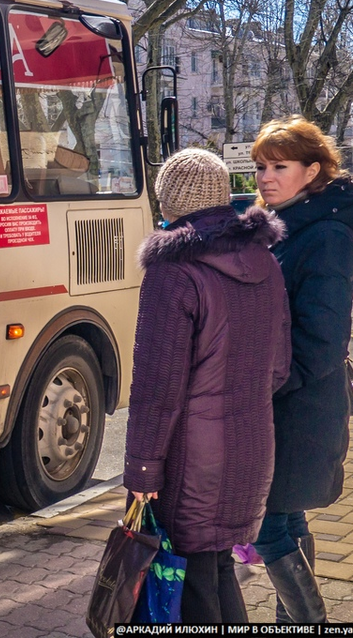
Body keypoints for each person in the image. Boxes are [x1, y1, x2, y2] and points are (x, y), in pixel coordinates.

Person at [124, 148, 290, 624]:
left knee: (191, 580)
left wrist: (141, 469)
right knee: (213, 567)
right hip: (251, 449)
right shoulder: (265, 261)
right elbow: (278, 368)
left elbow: (157, 389)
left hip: (189, 461)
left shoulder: (172, 270)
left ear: (167, 201)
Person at [250, 117, 353, 623]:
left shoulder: (325, 236)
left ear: (312, 170)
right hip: (285, 399)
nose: (265, 177)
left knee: (266, 523)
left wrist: (266, 385)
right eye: (260, 167)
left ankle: (308, 622)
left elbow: (322, 337)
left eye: (280, 166)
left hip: (299, 403)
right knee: (286, 514)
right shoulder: (281, 225)